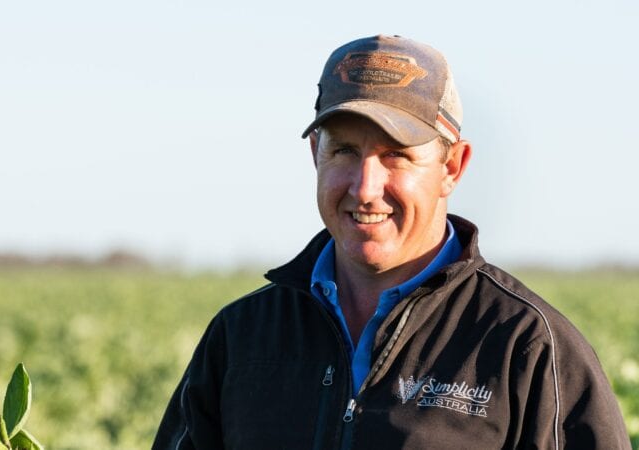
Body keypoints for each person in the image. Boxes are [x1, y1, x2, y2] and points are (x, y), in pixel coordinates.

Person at [152, 35, 631, 449]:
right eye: (344, 150)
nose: (364, 187)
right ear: (315, 155)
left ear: (452, 167)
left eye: (396, 156)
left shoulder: (525, 344)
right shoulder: (242, 336)